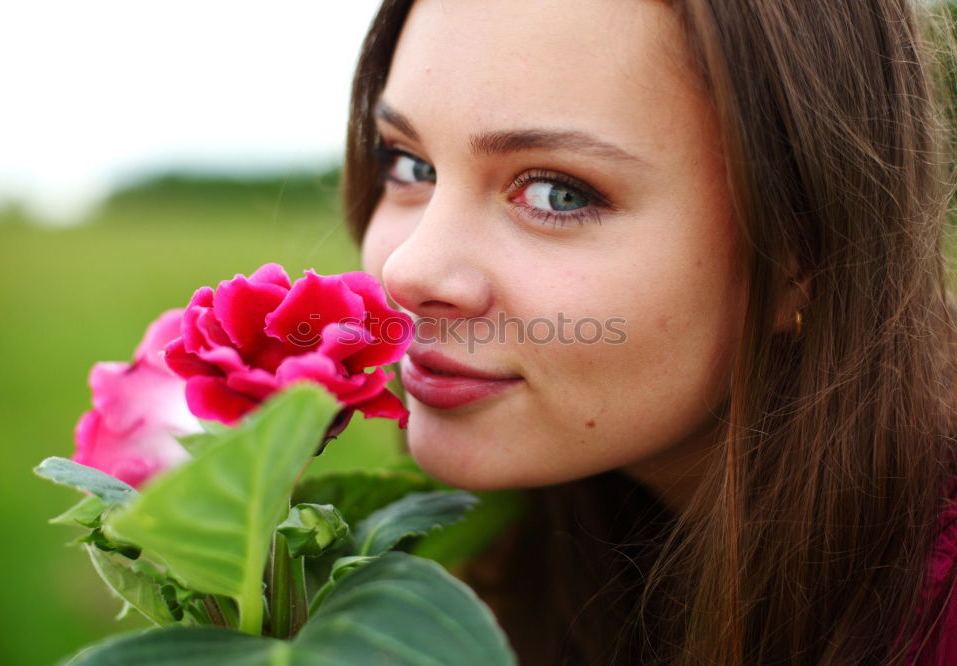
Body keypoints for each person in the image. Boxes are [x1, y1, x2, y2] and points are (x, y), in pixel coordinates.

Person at [341, 0, 957, 663]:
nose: (408, 271)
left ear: (800, 257)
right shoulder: (522, 544)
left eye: (558, 193)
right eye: (411, 166)